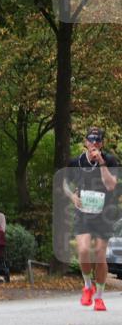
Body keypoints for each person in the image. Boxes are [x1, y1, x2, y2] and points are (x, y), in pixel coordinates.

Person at [65, 127, 118, 311]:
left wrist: (101, 163)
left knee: (100, 255)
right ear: (86, 142)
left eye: (98, 140)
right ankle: (88, 286)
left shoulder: (110, 160)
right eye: (91, 140)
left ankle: (100, 297)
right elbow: (64, 183)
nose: (94, 143)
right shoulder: (76, 162)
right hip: (84, 212)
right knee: (84, 249)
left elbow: (111, 186)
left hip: (104, 214)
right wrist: (72, 197)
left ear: (101, 144)